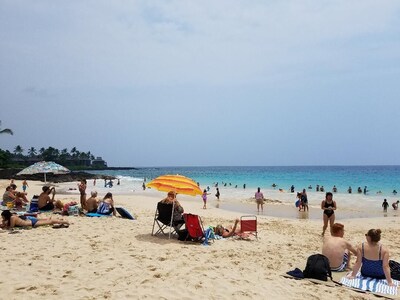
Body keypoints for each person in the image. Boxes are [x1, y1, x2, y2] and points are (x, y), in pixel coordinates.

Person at [1, 210, 69, 229]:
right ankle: (60, 220)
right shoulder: (12, 216)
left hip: (31, 223)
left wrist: (4, 226)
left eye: (3, 217)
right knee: (47, 220)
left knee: (50, 222)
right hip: (29, 221)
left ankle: (64, 221)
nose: (3, 218)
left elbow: (11, 227)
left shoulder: (12, 218)